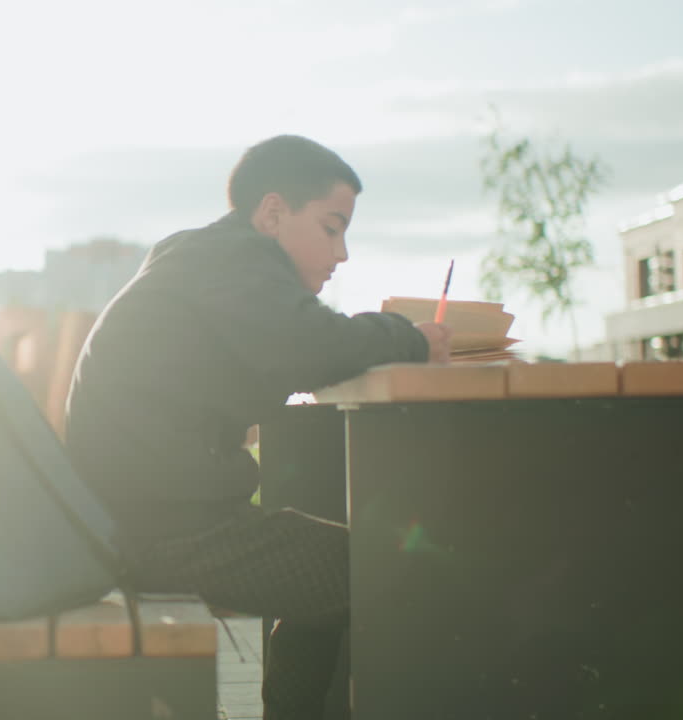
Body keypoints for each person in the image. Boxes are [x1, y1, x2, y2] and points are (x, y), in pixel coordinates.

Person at [63, 134, 451, 720]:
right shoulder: (235, 260)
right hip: (161, 532)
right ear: (272, 214)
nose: (341, 252)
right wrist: (412, 337)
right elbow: (309, 343)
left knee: (338, 566)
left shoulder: (205, 259)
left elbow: (290, 346)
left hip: (142, 516)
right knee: (377, 570)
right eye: (331, 227)